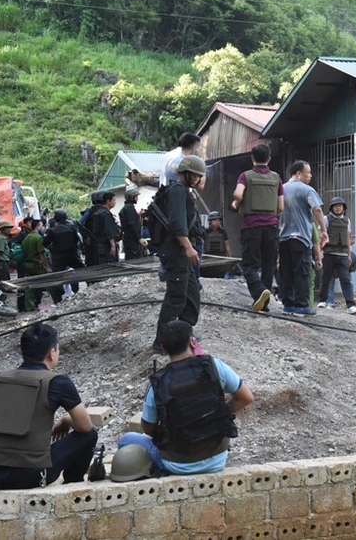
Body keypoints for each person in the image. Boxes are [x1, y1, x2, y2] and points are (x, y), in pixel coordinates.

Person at [0, 323, 97, 490]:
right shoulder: (58, 382)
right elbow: (85, 426)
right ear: (52, 353)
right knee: (89, 435)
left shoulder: (0, 380)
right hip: (32, 475)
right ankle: (73, 482)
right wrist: (66, 420)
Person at [118, 320, 252, 475]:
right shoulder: (214, 366)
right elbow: (246, 398)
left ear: (163, 348)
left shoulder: (157, 383)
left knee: (126, 441)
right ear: (192, 342)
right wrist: (217, 414)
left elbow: (148, 429)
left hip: (176, 463)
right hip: (217, 458)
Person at [153, 155, 207, 353]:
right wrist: (188, 247)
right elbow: (177, 223)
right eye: (196, 175)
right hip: (176, 250)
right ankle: (161, 343)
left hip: (181, 251)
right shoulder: (177, 190)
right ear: (186, 174)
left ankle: (185, 334)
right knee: (176, 298)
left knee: (192, 294)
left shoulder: (184, 192)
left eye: (199, 176)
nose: (198, 179)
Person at [232, 144, 284, 312]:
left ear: (252, 158)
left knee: (249, 265)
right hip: (271, 227)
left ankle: (259, 291)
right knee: (268, 266)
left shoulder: (245, 176)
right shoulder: (276, 178)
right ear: (269, 159)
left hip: (252, 227)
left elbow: (238, 194)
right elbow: (281, 207)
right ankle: (264, 304)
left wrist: (237, 202)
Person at [279, 160, 327, 316]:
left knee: (286, 272)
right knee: (302, 272)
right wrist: (323, 229)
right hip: (300, 238)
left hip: (283, 238)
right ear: (298, 174)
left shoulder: (281, 189)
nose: (310, 176)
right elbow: (317, 209)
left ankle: (288, 305)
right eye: (308, 172)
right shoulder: (307, 190)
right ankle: (301, 306)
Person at [317, 197, 356, 314]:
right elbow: (320, 235)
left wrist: (349, 255)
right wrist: (319, 252)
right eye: (335, 206)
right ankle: (322, 300)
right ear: (331, 208)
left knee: (346, 280)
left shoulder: (347, 220)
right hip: (329, 253)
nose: (338, 208)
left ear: (343, 208)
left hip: (342, 254)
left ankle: (351, 305)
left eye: (340, 206)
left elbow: (348, 238)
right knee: (326, 278)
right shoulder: (326, 219)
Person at [44, 210, 84, 304]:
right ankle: (88, 288)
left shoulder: (53, 230)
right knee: (83, 270)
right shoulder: (72, 228)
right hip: (72, 255)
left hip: (59, 258)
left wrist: (52, 248)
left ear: (56, 219)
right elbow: (76, 240)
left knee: (57, 278)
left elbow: (45, 243)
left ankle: (58, 300)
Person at [19, 218, 51, 312]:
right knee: (49, 282)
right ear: (37, 227)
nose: (42, 228)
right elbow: (41, 253)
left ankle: (29, 307)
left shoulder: (26, 238)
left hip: (27, 264)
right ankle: (58, 301)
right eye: (41, 226)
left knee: (29, 286)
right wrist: (47, 267)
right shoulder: (38, 238)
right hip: (37, 265)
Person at [88, 191, 119, 266]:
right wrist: (113, 245)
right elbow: (108, 230)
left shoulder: (97, 213)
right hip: (107, 245)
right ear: (108, 201)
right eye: (113, 200)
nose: (115, 202)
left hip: (99, 246)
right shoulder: (106, 214)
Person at [119, 184, 145, 260]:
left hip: (130, 240)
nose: (137, 198)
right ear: (131, 197)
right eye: (136, 196)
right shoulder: (129, 208)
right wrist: (139, 238)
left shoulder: (127, 208)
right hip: (132, 241)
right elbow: (131, 224)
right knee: (135, 261)